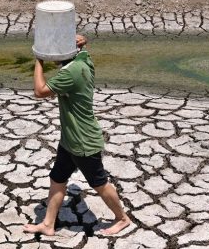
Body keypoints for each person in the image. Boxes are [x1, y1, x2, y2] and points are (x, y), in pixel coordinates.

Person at [23, 34, 131, 236]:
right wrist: (82, 42)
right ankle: (48, 224)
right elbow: (83, 49)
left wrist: (38, 59)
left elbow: (39, 91)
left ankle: (122, 218)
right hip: (69, 140)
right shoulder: (84, 61)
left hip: (83, 141)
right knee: (58, 178)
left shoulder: (71, 73)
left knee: (99, 182)